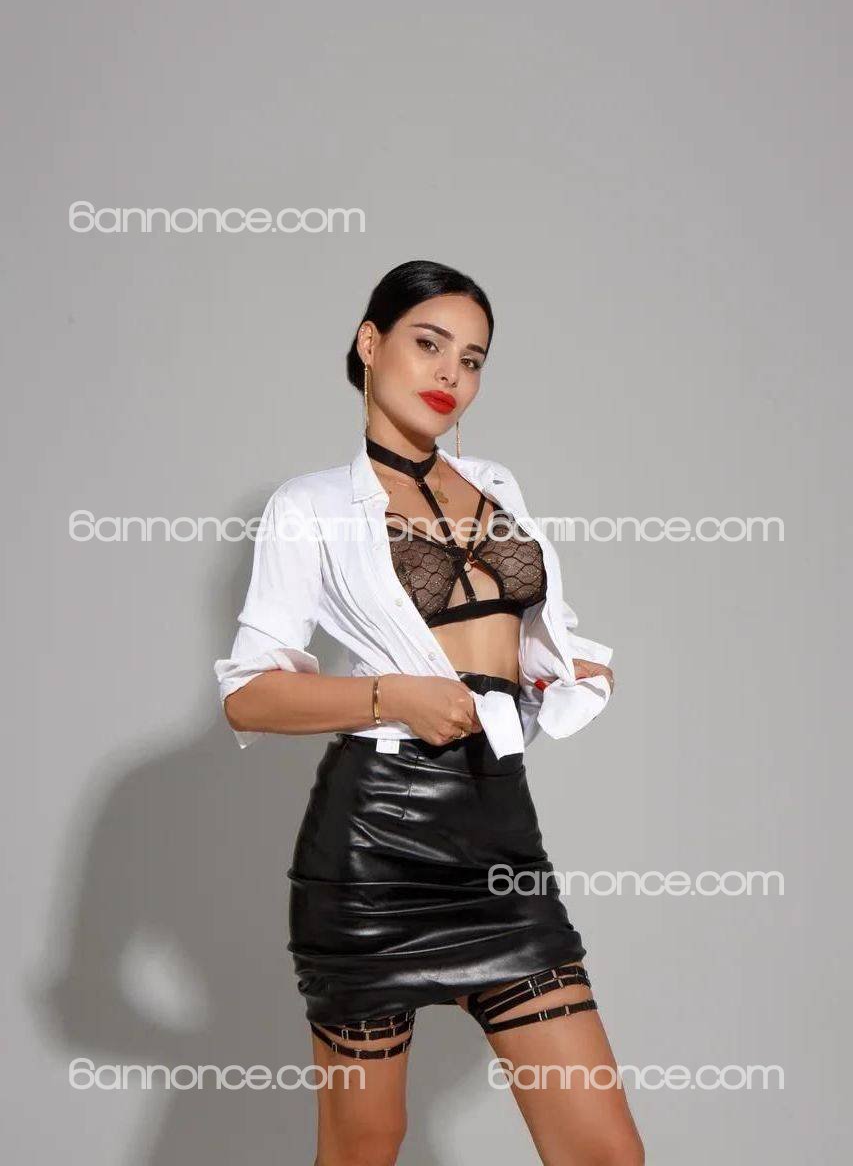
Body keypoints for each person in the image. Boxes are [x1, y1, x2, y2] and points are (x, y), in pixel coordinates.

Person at [214, 260, 644, 1165]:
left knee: (602, 1151)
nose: (451, 373)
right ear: (370, 344)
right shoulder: (312, 506)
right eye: (428, 343)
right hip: (375, 844)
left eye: (473, 359)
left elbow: (524, 630)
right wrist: (391, 694)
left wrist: (561, 669)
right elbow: (249, 693)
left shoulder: (495, 484)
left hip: (499, 832)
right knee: (366, 1146)